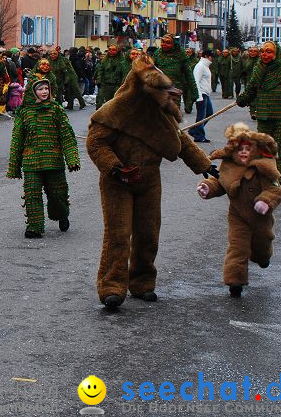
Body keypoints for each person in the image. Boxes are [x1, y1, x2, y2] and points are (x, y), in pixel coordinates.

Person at [87, 55, 212, 309]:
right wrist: (115, 168)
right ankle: (112, 286)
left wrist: (205, 165)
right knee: (118, 234)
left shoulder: (160, 113)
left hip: (149, 180)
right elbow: (96, 142)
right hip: (118, 181)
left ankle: (142, 283)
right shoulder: (116, 110)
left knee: (148, 234)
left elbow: (180, 141)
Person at [197, 123, 281, 299]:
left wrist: (265, 201)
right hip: (238, 215)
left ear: (255, 150)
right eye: (240, 149)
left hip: (261, 218)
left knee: (262, 246)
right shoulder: (229, 165)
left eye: (248, 149)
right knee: (237, 247)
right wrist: (207, 187)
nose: (243, 152)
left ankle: (263, 257)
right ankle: (235, 281)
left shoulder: (264, 168)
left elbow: (276, 190)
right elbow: (219, 182)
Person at [7, 77, 80, 238]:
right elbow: (17, 140)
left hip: (54, 160)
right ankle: (35, 226)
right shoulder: (24, 112)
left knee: (57, 195)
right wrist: (14, 166)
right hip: (31, 161)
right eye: (40, 89)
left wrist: (72, 159)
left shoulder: (56, 110)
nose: (44, 92)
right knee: (32, 194)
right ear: (33, 92)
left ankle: (62, 215)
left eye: (46, 89)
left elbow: (67, 136)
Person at [236, 42, 281, 187]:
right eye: (262, 52)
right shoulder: (259, 69)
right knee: (262, 146)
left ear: (277, 53)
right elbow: (251, 89)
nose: (264, 55)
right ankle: (264, 173)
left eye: (268, 52)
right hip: (263, 114)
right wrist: (242, 100)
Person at [189, 50, 214, 144]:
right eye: (211, 56)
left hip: (206, 94)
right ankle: (199, 136)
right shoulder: (200, 66)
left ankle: (194, 130)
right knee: (201, 116)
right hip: (201, 94)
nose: (212, 58)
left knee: (209, 113)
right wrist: (198, 96)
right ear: (206, 56)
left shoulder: (206, 66)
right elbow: (196, 81)